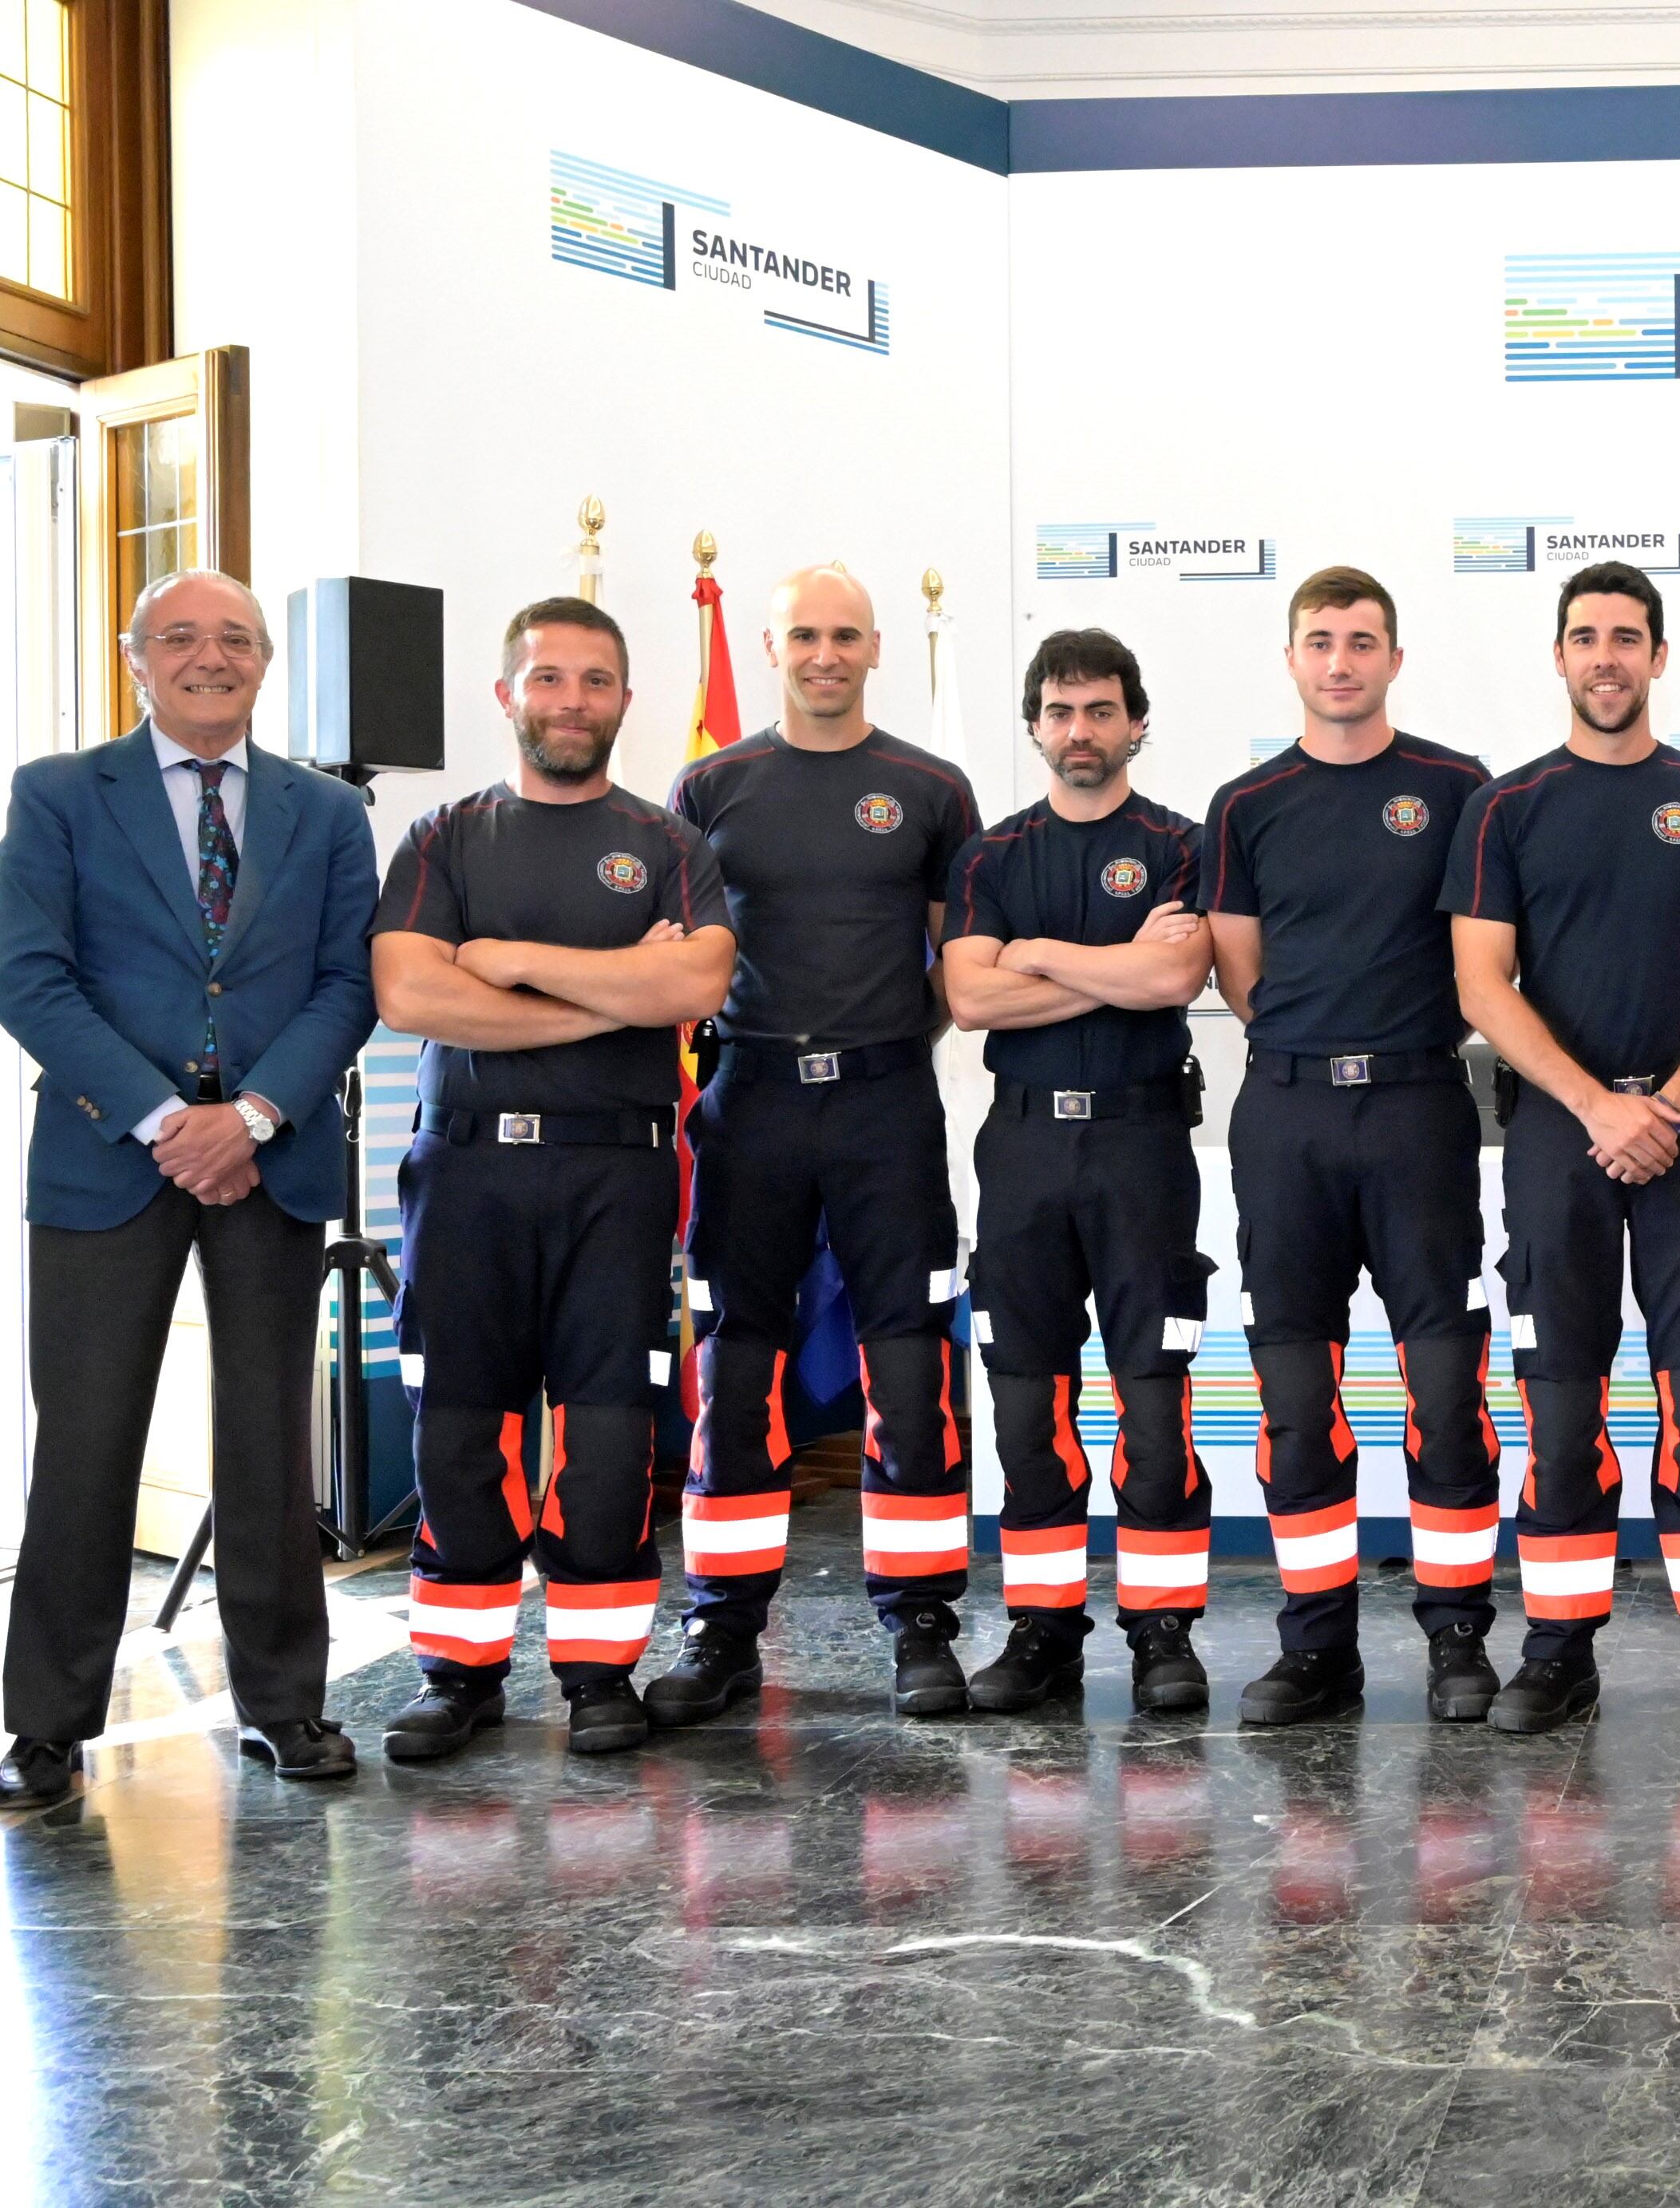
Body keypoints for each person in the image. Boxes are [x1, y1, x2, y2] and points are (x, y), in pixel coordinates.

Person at [0, 568, 381, 1801]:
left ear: (265, 662)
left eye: (233, 639)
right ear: (135, 657)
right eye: (180, 636)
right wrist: (172, 1119)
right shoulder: (57, 794)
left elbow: (349, 982)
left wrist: (255, 1114)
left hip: (273, 1156)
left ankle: (285, 1707)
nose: (207, 657)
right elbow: (30, 976)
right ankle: (46, 1728)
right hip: (111, 1152)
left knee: (272, 1442)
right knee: (88, 1440)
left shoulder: (325, 814)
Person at [367, 597, 736, 1762]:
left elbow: (693, 990)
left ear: (625, 698)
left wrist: (516, 968)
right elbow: (410, 995)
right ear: (506, 693)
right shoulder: (443, 837)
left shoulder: (669, 845)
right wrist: (606, 988)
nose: (569, 700)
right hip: (465, 1172)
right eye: (547, 678)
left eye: (593, 680)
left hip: (616, 1179)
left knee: (609, 1429)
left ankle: (596, 1671)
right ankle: (459, 1673)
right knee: (461, 1424)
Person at [1444, 560, 1680, 1737]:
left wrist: (1671, 1104)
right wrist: (1597, 1104)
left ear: (1658, 656)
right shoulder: (1506, 807)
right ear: (1559, 657)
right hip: (1557, 1134)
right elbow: (1481, 983)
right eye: (1586, 637)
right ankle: (1556, 1651)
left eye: (1627, 637)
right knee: (1560, 1408)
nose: (1607, 656)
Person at [657, 566, 983, 1722]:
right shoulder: (710, 782)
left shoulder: (931, 786)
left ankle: (921, 1624)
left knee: (911, 1362)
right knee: (734, 1364)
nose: (825, 652)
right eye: (805, 634)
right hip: (749, 1098)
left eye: (846, 633)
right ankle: (722, 1629)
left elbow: (956, 957)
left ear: (877, 646)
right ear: (772, 644)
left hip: (888, 1101)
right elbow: (679, 947)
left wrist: (879, 1044)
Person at [1204, 569, 1502, 1726]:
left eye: (1362, 641)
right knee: (1295, 1395)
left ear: (1394, 656)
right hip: (1286, 1117)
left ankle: (1459, 1637)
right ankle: (1317, 1646)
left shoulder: (1455, 786)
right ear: (1292, 659)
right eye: (1320, 642)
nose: (1341, 661)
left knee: (1443, 1384)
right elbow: (1240, 970)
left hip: (1421, 1107)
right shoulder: (1246, 803)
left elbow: (1482, 957)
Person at [939, 629, 1219, 1719]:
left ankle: (1162, 1634)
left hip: (1143, 1144)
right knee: (1026, 1405)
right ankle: (1042, 1631)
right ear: (1034, 725)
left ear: (1136, 720)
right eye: (1060, 711)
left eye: (1101, 709)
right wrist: (1114, 969)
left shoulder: (1185, 844)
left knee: (1155, 1399)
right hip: (1020, 1148)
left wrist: (1038, 953)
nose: (1080, 730)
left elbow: (1174, 975)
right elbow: (969, 1000)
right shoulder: (991, 855)